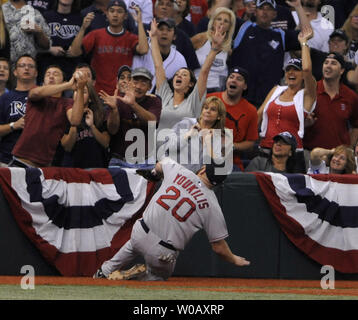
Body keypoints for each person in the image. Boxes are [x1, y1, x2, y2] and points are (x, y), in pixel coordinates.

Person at [93, 157, 250, 281]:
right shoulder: (212, 205)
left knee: (132, 245)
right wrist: (234, 259)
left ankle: (105, 271)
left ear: (202, 169)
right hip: (162, 252)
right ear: (219, 183)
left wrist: (155, 173)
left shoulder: (179, 170)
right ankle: (134, 278)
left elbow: (160, 164)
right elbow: (219, 247)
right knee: (158, 277)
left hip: (140, 231)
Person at [229, 0, 311, 108]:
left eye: (269, 9)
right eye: (262, 8)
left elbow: (307, 33)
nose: (265, 12)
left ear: (275, 14)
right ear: (256, 11)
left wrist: (298, 6)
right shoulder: (242, 27)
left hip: (267, 99)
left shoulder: (280, 35)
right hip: (239, 95)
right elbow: (221, 16)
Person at [150, 19, 226, 134]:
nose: (179, 75)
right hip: (160, 149)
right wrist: (154, 38)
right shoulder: (165, 95)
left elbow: (204, 72)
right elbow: (158, 66)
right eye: (177, 74)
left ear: (191, 83)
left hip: (185, 150)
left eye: (184, 74)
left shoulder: (194, 101)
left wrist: (214, 50)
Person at [257, 27, 316, 173]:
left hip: (292, 157)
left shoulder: (307, 95)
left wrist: (303, 43)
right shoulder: (276, 90)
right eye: (288, 69)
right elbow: (258, 116)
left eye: (296, 69)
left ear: (302, 75)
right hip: (265, 151)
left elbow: (308, 69)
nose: (291, 72)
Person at [9, 66, 88, 168]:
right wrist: (68, 85)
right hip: (21, 160)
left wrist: (80, 88)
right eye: (48, 74)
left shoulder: (66, 103)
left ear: (63, 80)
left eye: (56, 74)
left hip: (45, 165)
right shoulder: (35, 91)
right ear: (43, 82)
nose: (51, 76)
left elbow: (75, 120)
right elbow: (37, 93)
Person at [68, 0, 149, 95]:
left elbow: (143, 49)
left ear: (125, 16)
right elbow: (74, 52)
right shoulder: (96, 34)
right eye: (112, 11)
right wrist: (83, 28)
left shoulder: (130, 38)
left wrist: (139, 22)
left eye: (119, 11)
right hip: (98, 92)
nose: (115, 14)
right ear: (107, 14)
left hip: (121, 94)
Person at [100, 67, 162, 168]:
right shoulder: (117, 100)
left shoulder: (154, 101)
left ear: (150, 87)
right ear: (129, 82)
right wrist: (114, 110)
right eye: (135, 81)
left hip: (145, 161)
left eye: (143, 83)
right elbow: (112, 130)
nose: (138, 86)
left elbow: (152, 122)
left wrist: (133, 104)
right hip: (118, 160)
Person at [303, 52, 358, 153]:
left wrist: (349, 148)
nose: (328, 65)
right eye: (326, 62)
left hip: (337, 157)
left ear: (341, 71)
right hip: (310, 154)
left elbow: (356, 126)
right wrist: (305, 123)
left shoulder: (351, 96)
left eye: (333, 63)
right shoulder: (311, 90)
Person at [161, 96, 230, 174]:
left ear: (219, 117)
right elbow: (167, 148)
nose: (208, 111)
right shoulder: (185, 124)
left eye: (213, 109)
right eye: (206, 108)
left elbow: (216, 167)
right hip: (171, 171)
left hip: (195, 179)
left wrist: (207, 142)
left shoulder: (216, 136)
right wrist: (187, 136)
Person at [208, 67, 258, 171]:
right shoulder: (210, 99)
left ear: (245, 86)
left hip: (230, 162)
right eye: (231, 77)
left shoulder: (251, 110)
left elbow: (250, 142)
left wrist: (231, 146)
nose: (233, 80)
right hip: (204, 156)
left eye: (239, 79)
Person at [61, 82, 110, 168]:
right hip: (73, 169)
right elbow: (67, 147)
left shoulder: (99, 114)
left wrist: (92, 126)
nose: (78, 94)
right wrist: (74, 122)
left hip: (96, 168)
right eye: (76, 91)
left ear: (90, 98)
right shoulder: (66, 115)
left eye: (83, 92)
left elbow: (106, 143)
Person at [132, 18, 187, 93]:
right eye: (160, 29)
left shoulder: (180, 59)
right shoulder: (143, 49)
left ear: (174, 36)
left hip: (162, 102)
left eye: (168, 30)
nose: (164, 33)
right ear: (153, 31)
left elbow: (182, 87)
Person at [0, 55, 37, 166]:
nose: (26, 68)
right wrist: (13, 125)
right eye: (22, 66)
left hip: (36, 161)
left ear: (36, 73)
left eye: (30, 66)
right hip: (7, 159)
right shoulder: (4, 99)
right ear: (15, 72)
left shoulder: (43, 97)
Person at [191, 7, 236, 93]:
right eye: (219, 19)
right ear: (213, 22)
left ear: (230, 26)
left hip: (217, 91)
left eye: (226, 21)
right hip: (196, 89)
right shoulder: (201, 38)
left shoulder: (228, 48)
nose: (222, 22)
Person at [37, 0, 84, 84]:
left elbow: (85, 47)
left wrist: (75, 50)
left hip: (72, 68)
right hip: (48, 67)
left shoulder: (80, 18)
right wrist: (50, 49)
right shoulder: (46, 16)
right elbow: (34, 45)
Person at [147, 0, 200, 71]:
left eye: (168, 5)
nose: (164, 7)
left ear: (174, 11)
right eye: (161, 4)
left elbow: (192, 66)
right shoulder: (145, 30)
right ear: (155, 9)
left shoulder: (182, 36)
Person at [2, 0, 51, 66]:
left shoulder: (34, 13)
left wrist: (39, 32)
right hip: (3, 67)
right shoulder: (1, 11)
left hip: (26, 67)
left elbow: (46, 46)